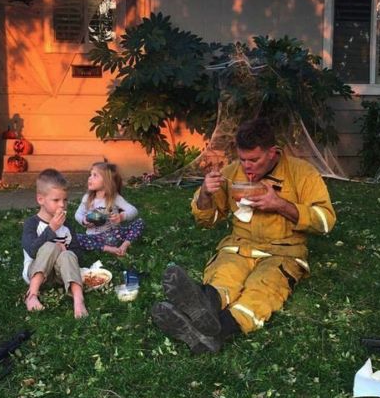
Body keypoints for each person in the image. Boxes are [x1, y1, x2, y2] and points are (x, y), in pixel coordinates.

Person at [151, 117, 337, 353]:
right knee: (226, 273)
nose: (247, 166)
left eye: (254, 160)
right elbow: (206, 220)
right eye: (242, 159)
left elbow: (325, 221)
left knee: (262, 289)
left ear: (272, 152)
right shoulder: (231, 173)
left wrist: (280, 204)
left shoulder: (302, 173)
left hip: (283, 253)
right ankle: (204, 305)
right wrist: (206, 194)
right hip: (239, 246)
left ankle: (217, 332)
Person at [22, 169, 89, 318]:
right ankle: (32, 295)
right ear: (41, 200)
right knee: (50, 246)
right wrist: (51, 228)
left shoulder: (67, 224)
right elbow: (32, 251)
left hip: (60, 276)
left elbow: (78, 253)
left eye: (65, 200)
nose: (62, 205)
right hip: (36, 273)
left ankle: (78, 299)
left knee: (67, 254)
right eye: (56, 200)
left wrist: (65, 250)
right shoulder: (32, 224)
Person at [74, 161, 146, 258]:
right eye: (90, 175)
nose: (90, 178)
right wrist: (84, 221)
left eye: (95, 175)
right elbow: (78, 214)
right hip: (94, 237)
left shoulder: (114, 198)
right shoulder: (87, 198)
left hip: (115, 234)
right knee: (74, 238)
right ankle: (108, 249)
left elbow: (133, 210)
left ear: (107, 181)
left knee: (140, 222)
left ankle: (124, 245)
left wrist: (121, 216)